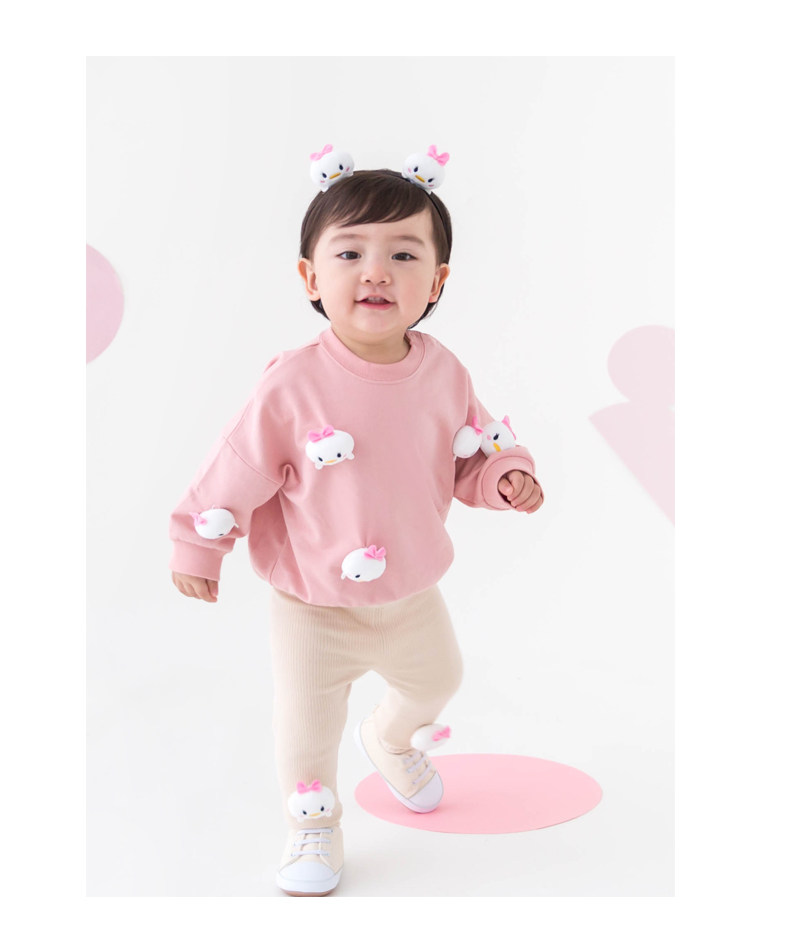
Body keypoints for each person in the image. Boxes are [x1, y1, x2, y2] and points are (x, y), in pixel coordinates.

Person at [169, 147, 544, 897]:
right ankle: (314, 822)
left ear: (436, 282)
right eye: (350, 253)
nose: (376, 272)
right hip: (313, 602)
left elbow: (472, 451)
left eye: (403, 254)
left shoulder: (444, 372)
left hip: (410, 592)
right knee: (306, 729)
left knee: (440, 678)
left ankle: (391, 738)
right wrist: (198, 544)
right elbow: (236, 467)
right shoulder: (292, 383)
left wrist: (503, 477)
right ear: (310, 277)